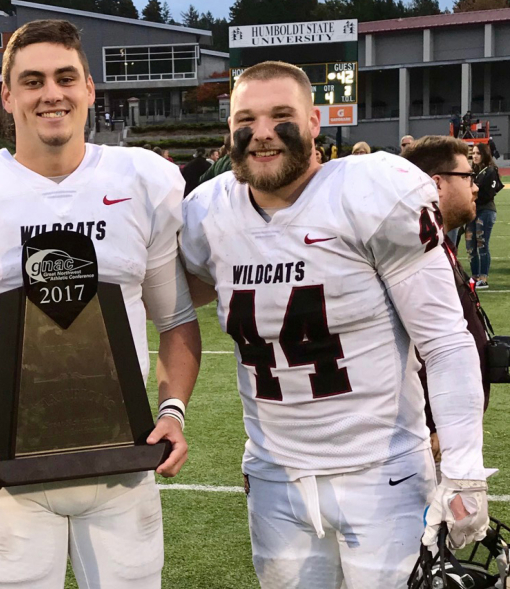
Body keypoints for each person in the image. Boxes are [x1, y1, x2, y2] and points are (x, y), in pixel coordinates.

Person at [0, 19, 201, 589]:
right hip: (8, 464)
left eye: (66, 77)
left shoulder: (142, 180)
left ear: (90, 88)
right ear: (7, 95)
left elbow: (177, 320)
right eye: (33, 80)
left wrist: (172, 413)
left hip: (121, 460)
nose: (52, 93)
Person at [180, 61, 487, 589]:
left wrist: (462, 468)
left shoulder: (368, 191)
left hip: (382, 473)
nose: (263, 133)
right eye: (245, 119)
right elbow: (167, 308)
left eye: (282, 115)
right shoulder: (208, 215)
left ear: (315, 121)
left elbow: (444, 342)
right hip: (275, 478)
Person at [401, 135, 492, 474]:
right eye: (467, 177)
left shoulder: (438, 245)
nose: (475, 187)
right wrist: (435, 423)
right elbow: (422, 346)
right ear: (437, 183)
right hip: (427, 441)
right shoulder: (416, 256)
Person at [467, 142, 503, 289]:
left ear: (484, 155)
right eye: (473, 153)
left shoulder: (490, 171)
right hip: (472, 211)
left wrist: (472, 196)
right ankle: (475, 276)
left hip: (485, 210)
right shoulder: (473, 171)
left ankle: (483, 277)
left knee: (482, 243)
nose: (475, 156)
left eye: (478, 153)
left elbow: (488, 194)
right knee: (470, 246)